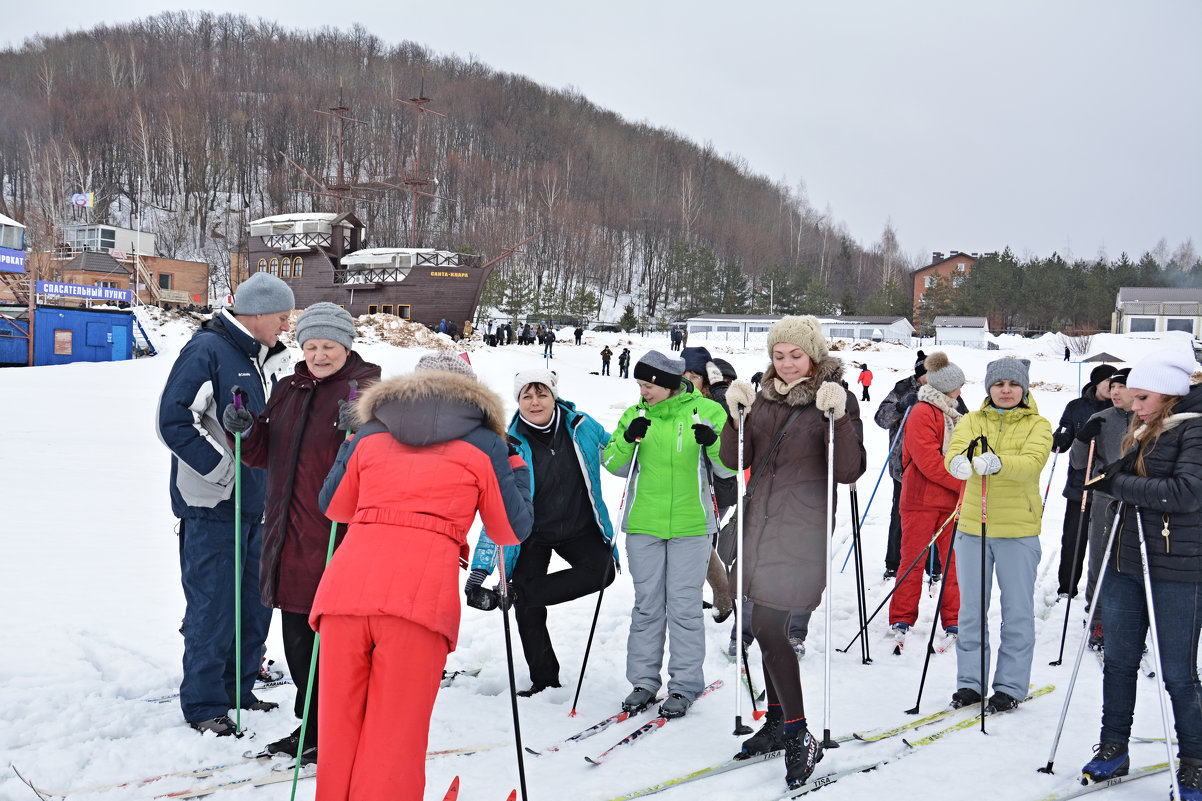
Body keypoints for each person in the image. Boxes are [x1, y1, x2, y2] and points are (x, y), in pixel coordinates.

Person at [310, 351, 534, 801]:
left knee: (338, 737)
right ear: (472, 395)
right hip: (418, 601)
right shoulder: (485, 444)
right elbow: (510, 529)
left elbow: (334, 507)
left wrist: (347, 448)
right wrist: (517, 471)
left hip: (345, 593)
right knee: (394, 741)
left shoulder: (370, 432)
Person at [220, 303, 381, 762]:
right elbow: (262, 453)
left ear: (346, 346)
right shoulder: (289, 388)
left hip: (338, 533)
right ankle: (312, 726)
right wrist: (246, 431)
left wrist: (365, 428)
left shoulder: (369, 390)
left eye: (328, 346)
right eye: (311, 346)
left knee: (332, 640)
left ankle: (333, 727)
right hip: (287, 531)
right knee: (297, 636)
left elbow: (387, 458)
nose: (319, 355)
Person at [719, 315, 866, 790]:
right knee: (766, 627)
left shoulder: (833, 400)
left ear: (815, 356)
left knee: (766, 626)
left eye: (795, 355)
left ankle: (799, 732)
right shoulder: (762, 401)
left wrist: (839, 417)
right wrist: (733, 418)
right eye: (778, 355)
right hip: (760, 528)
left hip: (801, 532)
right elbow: (732, 460)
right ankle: (782, 722)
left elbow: (848, 470)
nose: (785, 364)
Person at [155, 271, 295, 735]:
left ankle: (238, 687)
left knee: (255, 604)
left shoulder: (267, 358)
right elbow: (174, 421)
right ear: (255, 313)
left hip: (260, 506)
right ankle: (203, 703)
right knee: (213, 606)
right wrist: (226, 473)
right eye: (281, 316)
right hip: (214, 507)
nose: (286, 326)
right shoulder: (209, 351)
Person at [1077, 350, 1202, 796]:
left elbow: (1187, 493)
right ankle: (1114, 746)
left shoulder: (1195, 427)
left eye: (1144, 396)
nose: (1134, 404)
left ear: (1170, 393)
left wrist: (1116, 483)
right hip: (1126, 560)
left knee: (1178, 674)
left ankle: (1194, 759)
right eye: (1133, 395)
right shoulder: (1143, 428)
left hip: (1177, 569)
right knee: (1119, 661)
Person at [464, 369, 617, 696]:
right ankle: (544, 679)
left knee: (602, 571)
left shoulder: (581, 427)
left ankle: (519, 592)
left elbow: (617, 456)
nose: (535, 402)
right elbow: (497, 512)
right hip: (532, 533)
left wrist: (633, 438)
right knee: (528, 609)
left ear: (554, 395)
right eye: (526, 396)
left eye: (541, 394)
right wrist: (479, 572)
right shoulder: (509, 445)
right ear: (518, 401)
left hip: (579, 527)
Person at [603, 351, 733, 719]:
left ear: (668, 383)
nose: (643, 392)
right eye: (640, 385)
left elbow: (727, 469)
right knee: (647, 605)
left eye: (649, 385)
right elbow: (614, 465)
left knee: (684, 606)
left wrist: (713, 442)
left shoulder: (707, 412)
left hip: (691, 526)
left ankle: (685, 684)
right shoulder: (636, 415)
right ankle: (643, 681)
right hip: (644, 524)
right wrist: (628, 440)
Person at [945, 357, 1051, 713]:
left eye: (1013, 384)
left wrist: (1000, 463)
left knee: (1017, 612)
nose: (1006, 390)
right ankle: (970, 683)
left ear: (1024, 388)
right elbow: (955, 451)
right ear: (989, 388)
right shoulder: (972, 420)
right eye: (999, 384)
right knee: (971, 611)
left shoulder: (1039, 424)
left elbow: (1032, 463)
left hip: (1018, 531)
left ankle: (1009, 686)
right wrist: (956, 463)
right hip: (974, 528)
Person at [888, 353, 966, 654]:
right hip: (921, 502)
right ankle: (902, 618)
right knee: (912, 562)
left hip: (950, 504)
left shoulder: (954, 414)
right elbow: (928, 462)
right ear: (947, 387)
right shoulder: (923, 412)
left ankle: (954, 620)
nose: (962, 390)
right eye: (959, 384)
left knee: (952, 566)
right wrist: (964, 483)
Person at [1071, 367, 1133, 649]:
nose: (1115, 391)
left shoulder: (1153, 421)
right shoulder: (1101, 418)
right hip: (1105, 499)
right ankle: (1097, 619)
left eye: (1123, 386)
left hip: (1141, 501)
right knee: (1099, 557)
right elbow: (1078, 463)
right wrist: (1082, 438)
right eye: (1114, 386)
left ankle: (1133, 619)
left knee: (1133, 562)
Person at [1052, 364, 1117, 598]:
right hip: (1079, 486)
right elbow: (1064, 440)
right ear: (1096, 383)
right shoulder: (1076, 407)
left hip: (1109, 488)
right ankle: (1067, 588)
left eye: (1117, 384)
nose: (1113, 388)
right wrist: (1058, 440)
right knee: (1073, 541)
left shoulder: (1120, 408)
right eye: (1109, 383)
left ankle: (1101, 590)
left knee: (1104, 543)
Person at [874, 351, 928, 580]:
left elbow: (962, 418)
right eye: (928, 373)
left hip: (933, 465)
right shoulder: (902, 389)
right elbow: (881, 419)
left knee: (933, 516)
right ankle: (893, 563)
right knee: (900, 515)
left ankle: (933, 565)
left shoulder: (944, 389)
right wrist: (900, 407)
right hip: (902, 466)